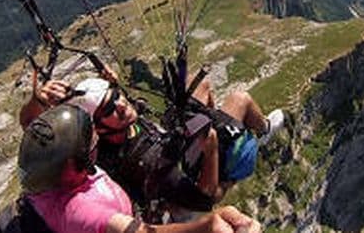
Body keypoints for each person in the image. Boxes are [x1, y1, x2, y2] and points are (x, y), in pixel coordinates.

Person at [19, 66, 284, 209]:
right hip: (195, 175)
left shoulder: (119, 126)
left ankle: (212, 121)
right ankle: (259, 134)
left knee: (197, 83)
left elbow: (30, 124)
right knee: (241, 100)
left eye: (115, 95)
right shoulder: (145, 163)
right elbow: (206, 198)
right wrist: (212, 145)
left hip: (171, 140)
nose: (121, 104)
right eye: (109, 108)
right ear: (97, 129)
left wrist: (36, 101)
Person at [16, 104, 261, 233]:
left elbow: (32, 124)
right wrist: (206, 227)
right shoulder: (77, 209)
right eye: (89, 140)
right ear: (75, 164)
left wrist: (39, 98)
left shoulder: (51, 173)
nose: (95, 138)